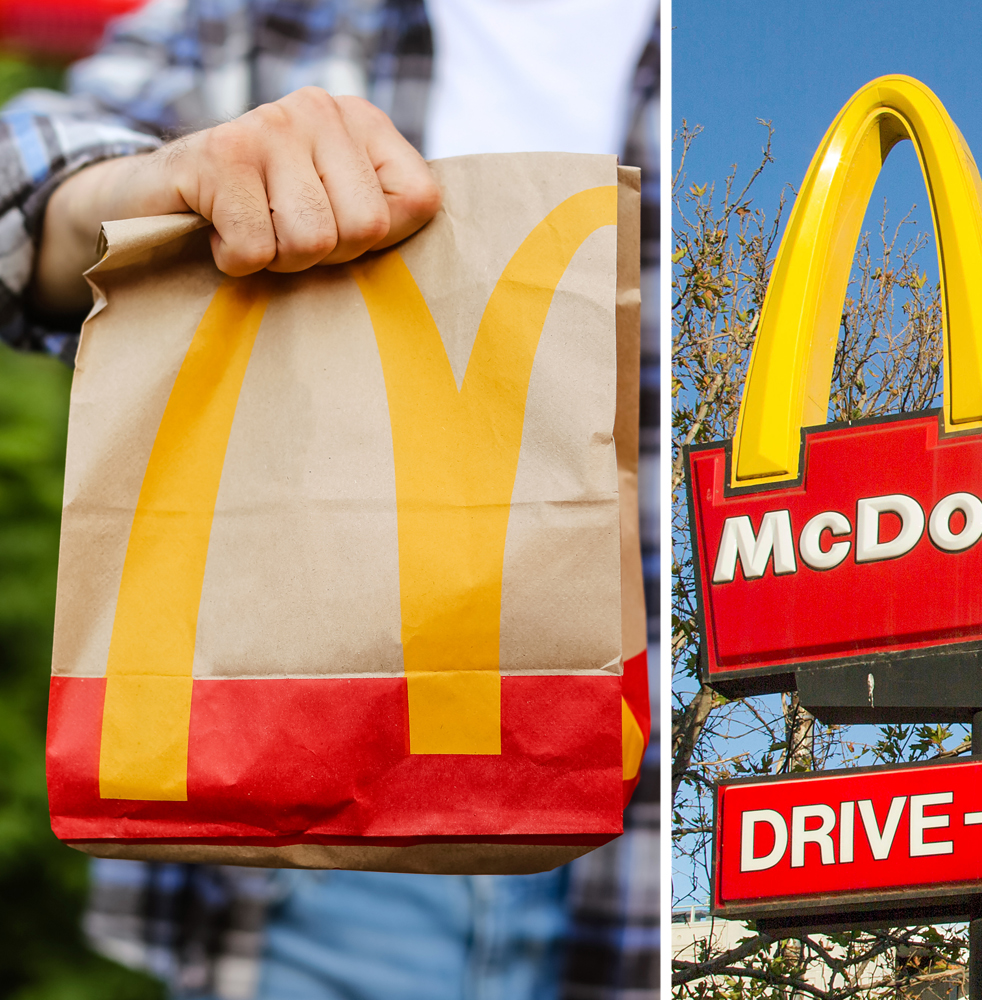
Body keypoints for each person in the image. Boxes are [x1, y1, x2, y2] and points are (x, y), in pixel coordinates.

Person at [0, 1, 661, 997]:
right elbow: (22, 165)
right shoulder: (277, 15)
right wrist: (147, 184)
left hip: (662, 820)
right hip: (326, 795)